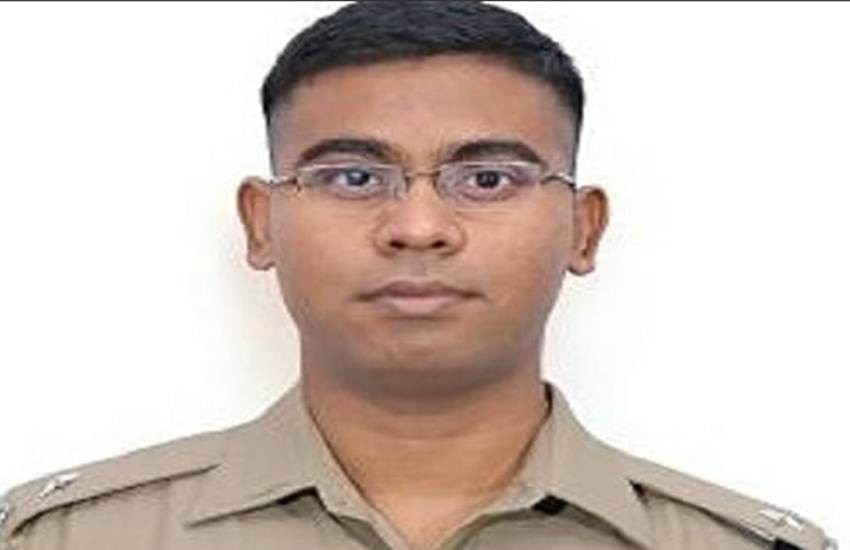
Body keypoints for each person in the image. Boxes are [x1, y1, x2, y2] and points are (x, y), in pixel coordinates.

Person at [0, 1, 837, 549]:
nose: (418, 227)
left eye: (488, 178)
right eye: (352, 177)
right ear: (261, 223)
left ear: (583, 228)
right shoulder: (67, 538)